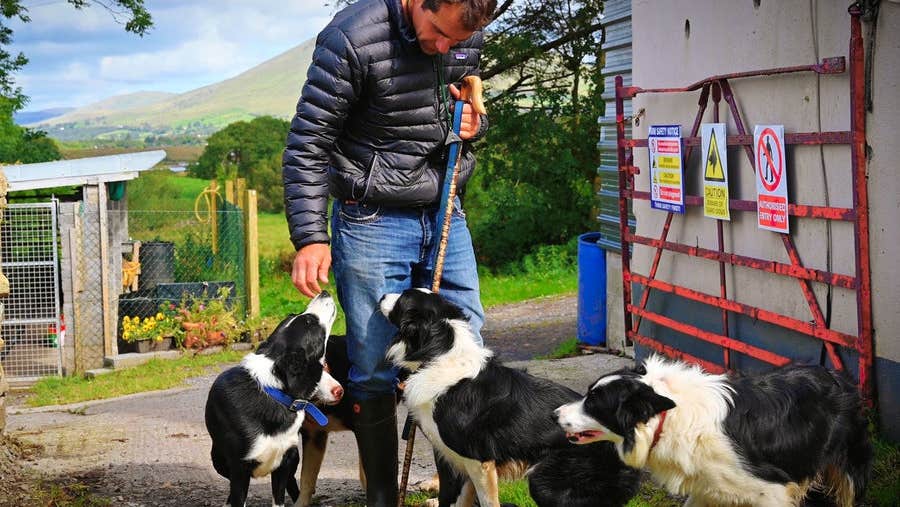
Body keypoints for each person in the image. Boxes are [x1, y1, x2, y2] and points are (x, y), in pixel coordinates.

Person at [282, 0, 497, 505]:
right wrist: (311, 236)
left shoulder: (465, 35)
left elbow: (459, 117)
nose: (446, 48)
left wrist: (475, 127)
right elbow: (308, 143)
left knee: (463, 350)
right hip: (372, 217)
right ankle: (381, 498)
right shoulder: (353, 37)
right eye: (438, 32)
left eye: (457, 41)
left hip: (446, 213)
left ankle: (453, 498)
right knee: (375, 363)